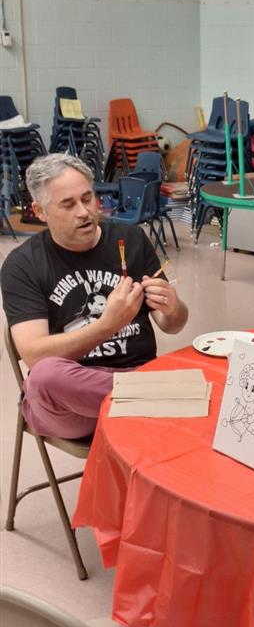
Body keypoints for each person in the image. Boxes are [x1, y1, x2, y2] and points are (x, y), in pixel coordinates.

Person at [1, 153, 188, 438]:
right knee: (44, 378)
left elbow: (172, 324)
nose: (84, 212)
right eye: (68, 204)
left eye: (87, 198)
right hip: (72, 406)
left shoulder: (130, 239)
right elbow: (34, 355)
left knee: (203, 354)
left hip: (135, 372)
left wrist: (174, 308)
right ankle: (156, 396)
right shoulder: (22, 265)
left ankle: (144, 397)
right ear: (40, 212)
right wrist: (107, 325)